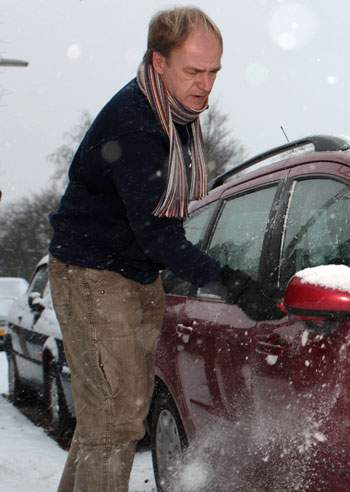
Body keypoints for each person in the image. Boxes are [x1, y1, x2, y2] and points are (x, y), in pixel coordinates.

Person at [47, 7, 279, 491]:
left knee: (107, 423)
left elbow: (158, 232)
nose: (205, 85)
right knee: (115, 423)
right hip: (95, 276)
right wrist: (232, 283)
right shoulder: (139, 126)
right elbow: (158, 234)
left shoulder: (174, 116)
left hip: (130, 273)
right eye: (193, 71)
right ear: (159, 63)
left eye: (214, 72)